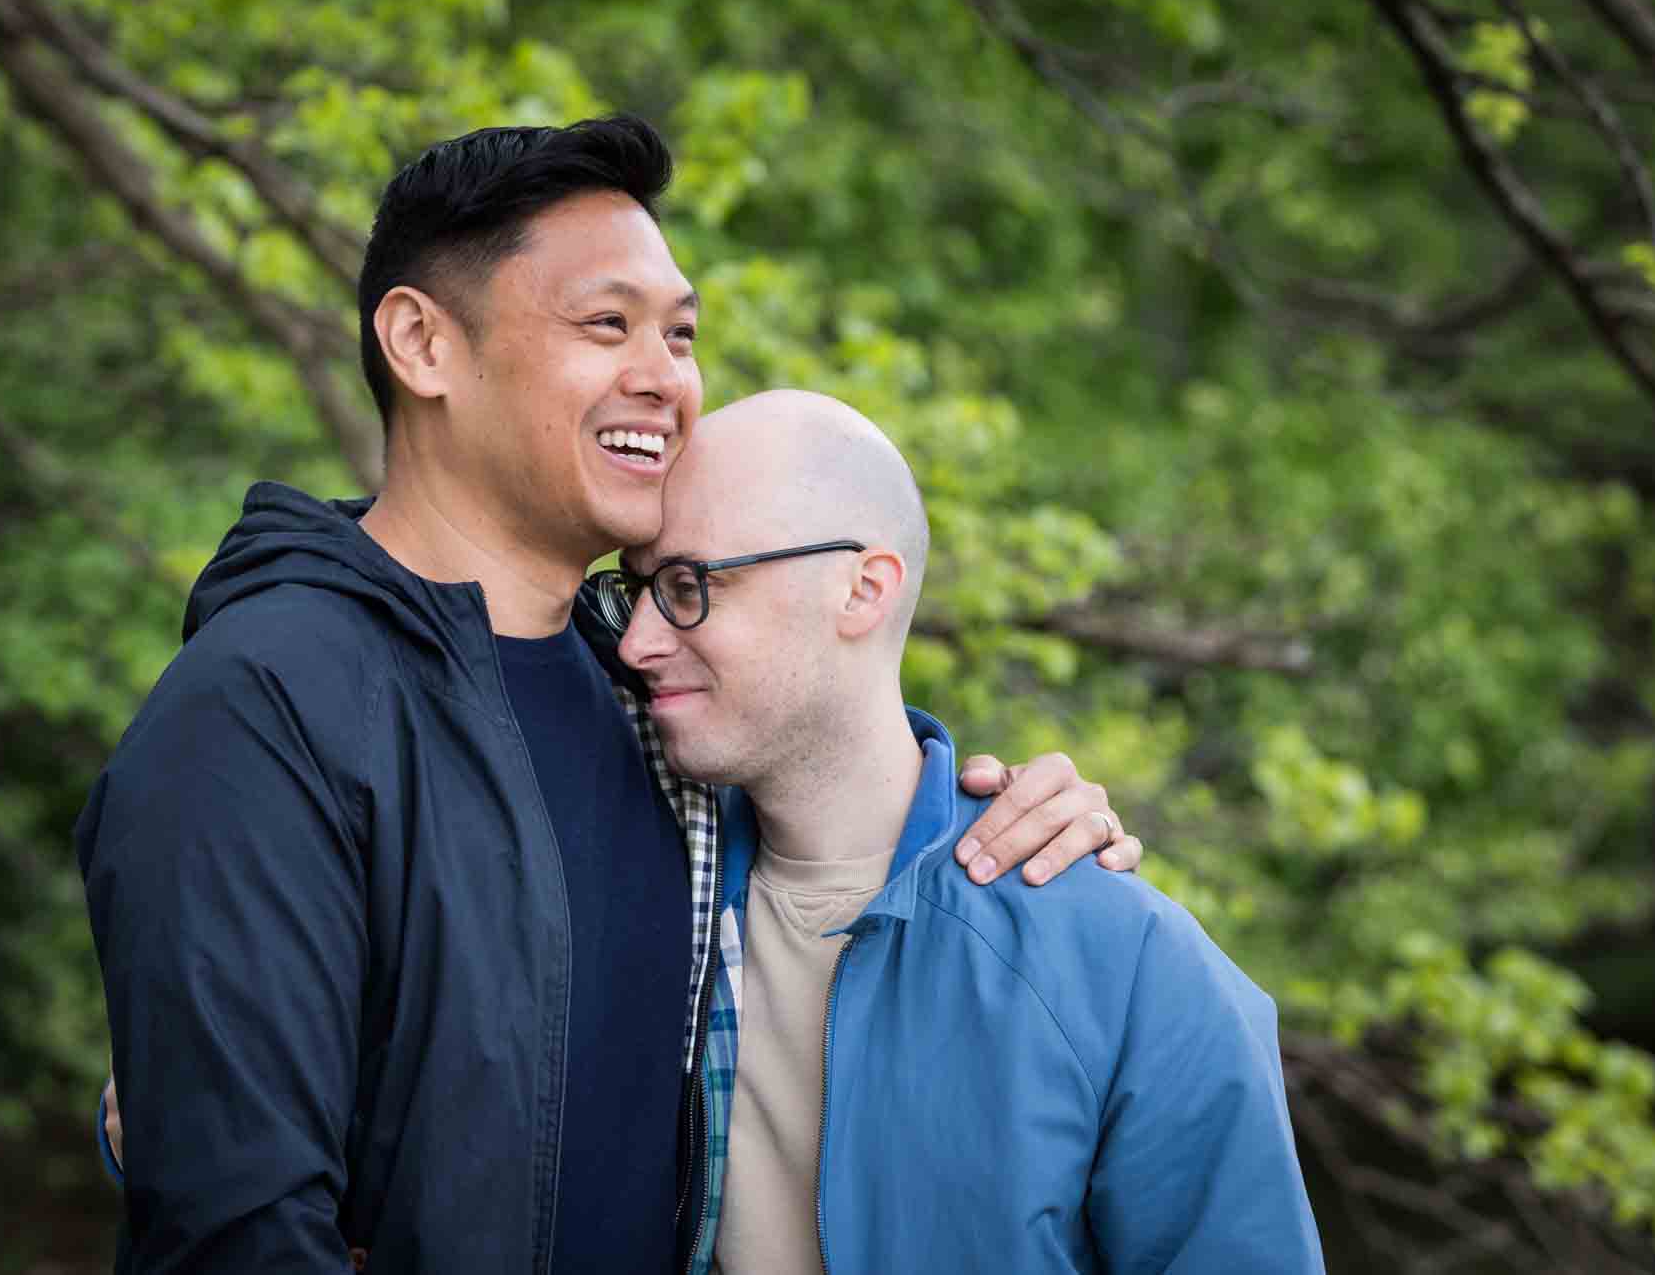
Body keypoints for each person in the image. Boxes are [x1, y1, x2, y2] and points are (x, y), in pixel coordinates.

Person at [77, 116, 1141, 1273]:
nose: (664, 379)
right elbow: (237, 1232)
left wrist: (998, 814)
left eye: (679, 336)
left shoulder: (658, 710)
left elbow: (832, 830)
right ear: (422, 345)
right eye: (605, 324)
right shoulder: (265, 707)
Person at [606, 389, 1324, 1273]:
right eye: (635, 589)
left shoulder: (1124, 960)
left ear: (862, 589)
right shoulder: (627, 878)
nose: (637, 639)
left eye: (688, 586)